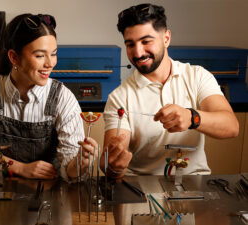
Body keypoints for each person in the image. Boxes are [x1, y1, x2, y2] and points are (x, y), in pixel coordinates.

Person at [100, 3, 239, 179]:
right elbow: (111, 167)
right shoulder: (120, 97)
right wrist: (115, 166)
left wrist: (192, 117)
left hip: (194, 183)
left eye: (146, 41)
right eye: (130, 44)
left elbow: (231, 127)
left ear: (166, 38)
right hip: (140, 189)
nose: (138, 52)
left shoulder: (197, 76)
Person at [0, 13, 97, 180]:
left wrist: (80, 163)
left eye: (54, 53)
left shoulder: (63, 98)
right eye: (40, 55)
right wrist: (20, 168)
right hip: (0, 190)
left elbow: (69, 169)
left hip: (50, 195)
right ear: (14, 57)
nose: (50, 63)